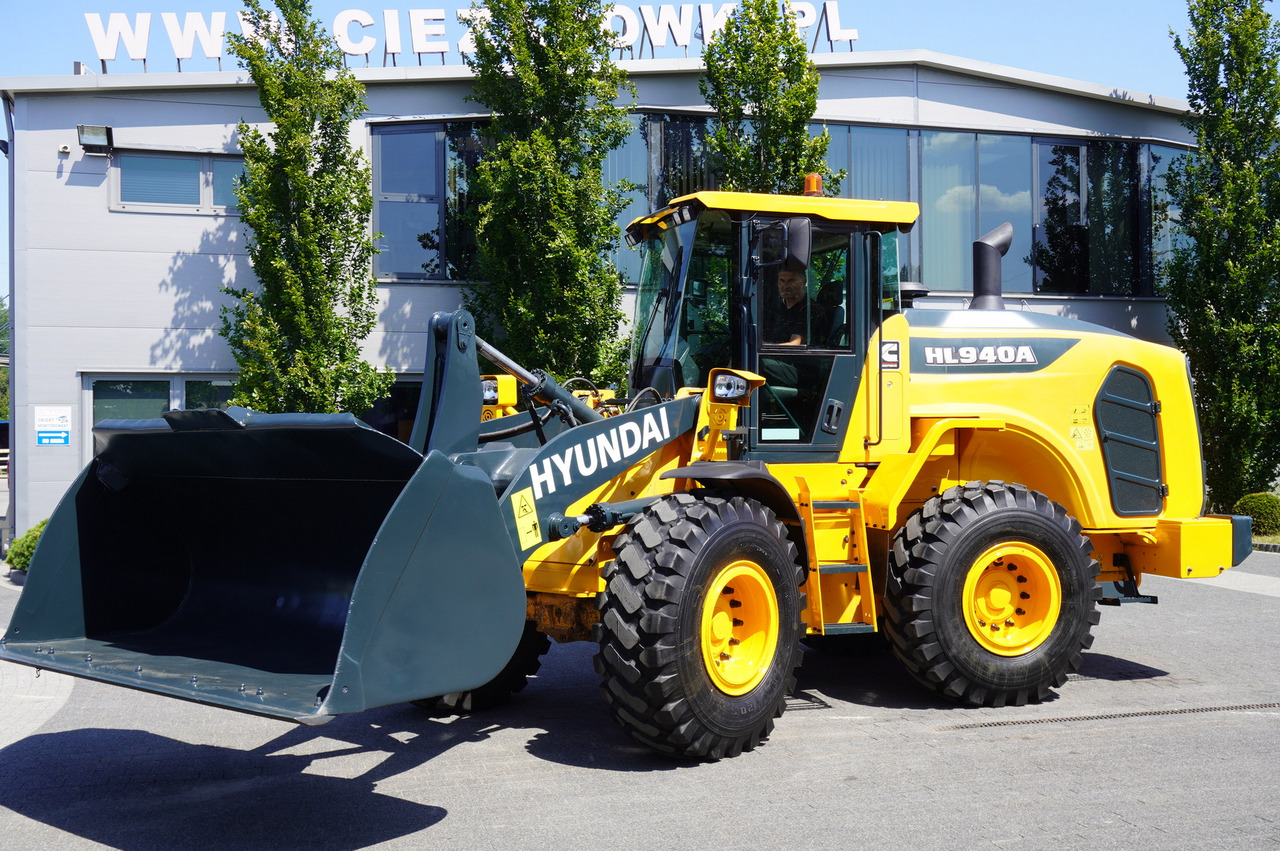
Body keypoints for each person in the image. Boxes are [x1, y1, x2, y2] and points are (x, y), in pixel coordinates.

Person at [763, 266, 828, 345]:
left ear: (804, 282)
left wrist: (758, 347)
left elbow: (794, 344)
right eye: (782, 281)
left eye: (791, 281)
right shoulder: (777, 308)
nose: (785, 286)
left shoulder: (810, 309)